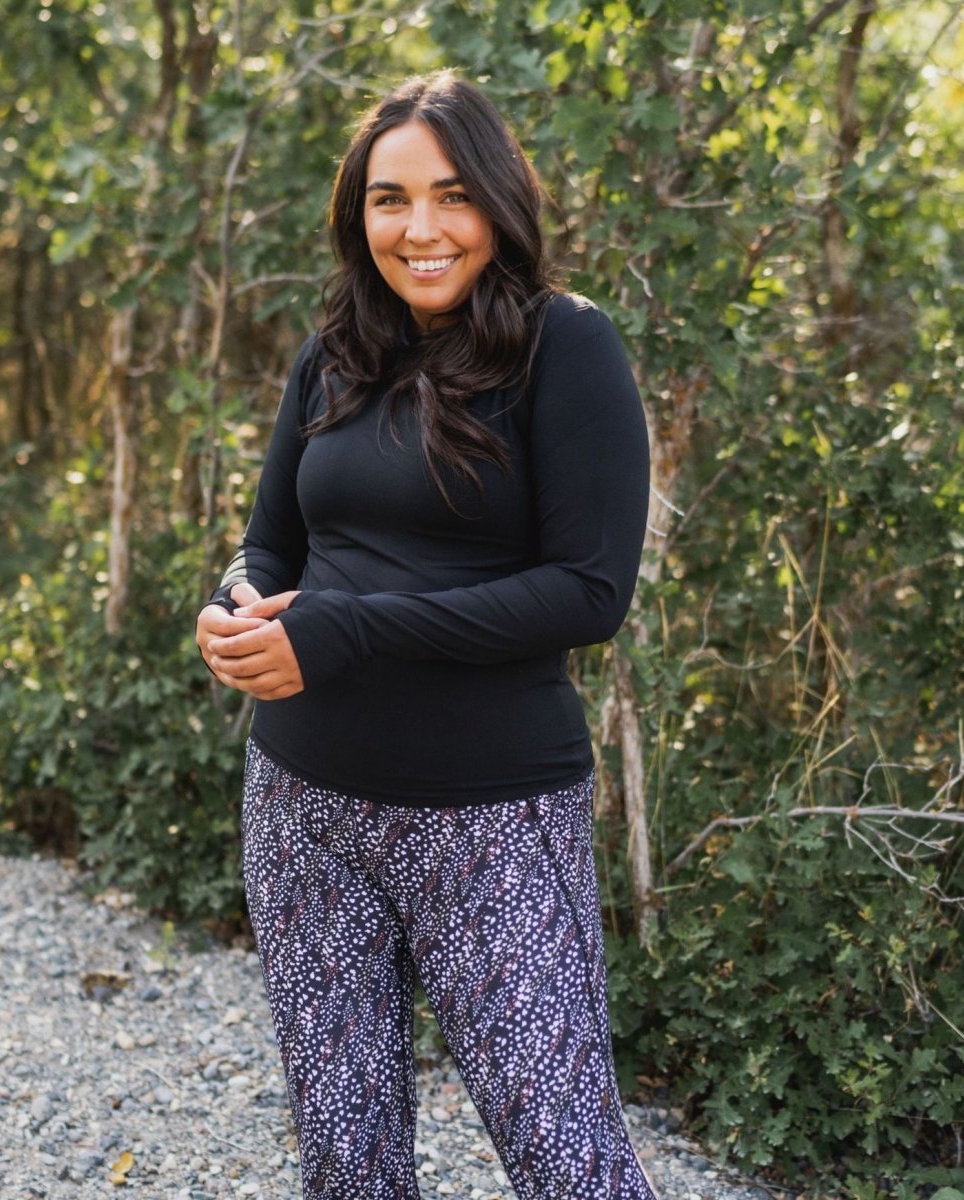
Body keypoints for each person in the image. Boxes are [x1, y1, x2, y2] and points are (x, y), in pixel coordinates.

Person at [195, 70, 657, 1200]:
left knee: (568, 1161)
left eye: (452, 195)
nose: (421, 228)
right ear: (358, 215)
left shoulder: (566, 346)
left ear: (499, 201)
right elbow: (270, 545)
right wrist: (233, 607)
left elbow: (589, 593)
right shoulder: (335, 352)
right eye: (390, 199)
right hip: (301, 804)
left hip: (489, 816)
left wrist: (350, 632)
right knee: (347, 1162)